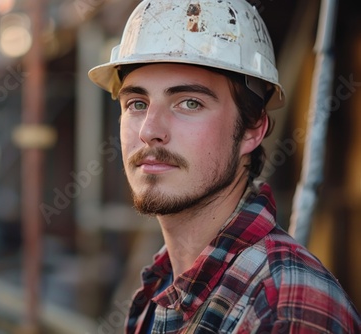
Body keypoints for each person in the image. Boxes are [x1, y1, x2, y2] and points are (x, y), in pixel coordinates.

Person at [88, 0, 361, 333]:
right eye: (137, 103)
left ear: (252, 130)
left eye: (189, 102)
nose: (149, 131)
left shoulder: (285, 309)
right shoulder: (156, 291)